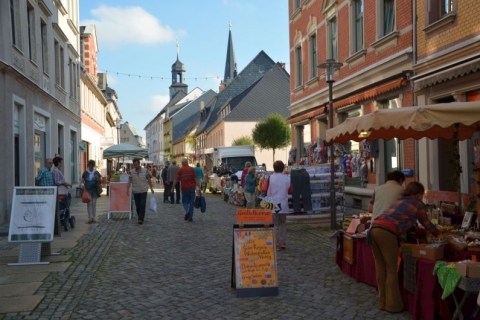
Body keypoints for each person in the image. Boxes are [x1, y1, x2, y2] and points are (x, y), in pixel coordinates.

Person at [370, 182, 441, 313]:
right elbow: (426, 223)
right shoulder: (418, 203)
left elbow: (403, 219)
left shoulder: (400, 201)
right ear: (419, 193)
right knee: (391, 269)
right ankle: (393, 305)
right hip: (388, 232)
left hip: (374, 228)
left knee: (380, 267)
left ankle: (382, 302)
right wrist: (439, 233)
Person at [267, 160, 291, 251]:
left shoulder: (270, 178)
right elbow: (289, 189)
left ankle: (276, 244)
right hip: (283, 203)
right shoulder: (287, 178)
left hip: (274, 204)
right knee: (283, 224)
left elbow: (268, 192)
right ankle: (283, 242)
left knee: (275, 224)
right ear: (283, 168)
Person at [126, 158, 154, 224]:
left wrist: (151, 188)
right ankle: (140, 216)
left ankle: (140, 219)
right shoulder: (132, 172)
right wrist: (127, 189)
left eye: (136, 164)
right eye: (134, 164)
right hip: (135, 191)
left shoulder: (145, 171)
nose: (135, 166)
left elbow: (149, 180)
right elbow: (129, 181)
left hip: (143, 190)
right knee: (137, 205)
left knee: (142, 204)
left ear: (139, 164)